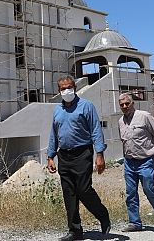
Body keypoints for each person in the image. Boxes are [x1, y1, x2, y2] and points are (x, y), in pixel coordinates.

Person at [46, 76, 111, 241]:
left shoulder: (86, 106)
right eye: (62, 88)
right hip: (64, 155)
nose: (66, 91)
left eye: (69, 87)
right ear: (58, 91)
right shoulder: (57, 110)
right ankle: (75, 231)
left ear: (74, 88)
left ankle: (103, 215)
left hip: (83, 153)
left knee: (83, 189)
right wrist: (50, 156)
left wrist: (100, 155)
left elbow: (96, 130)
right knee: (69, 193)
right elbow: (54, 134)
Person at [117, 93, 154, 232]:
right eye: (122, 104)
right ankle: (135, 223)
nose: (124, 106)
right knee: (130, 193)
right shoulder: (120, 121)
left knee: (149, 188)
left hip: (146, 159)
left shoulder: (144, 116)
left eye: (127, 103)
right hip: (129, 162)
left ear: (132, 104)